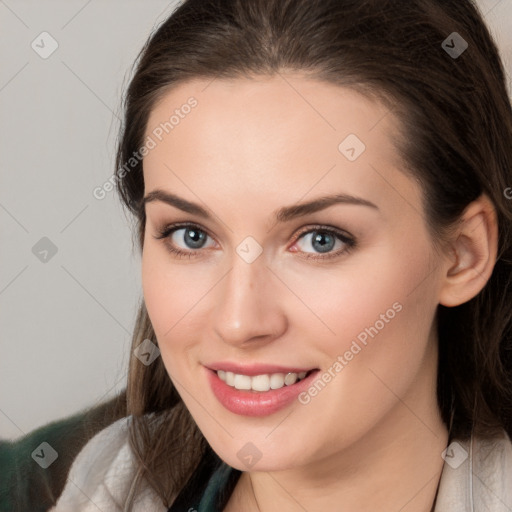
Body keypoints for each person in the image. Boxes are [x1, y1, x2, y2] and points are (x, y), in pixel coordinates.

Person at [50, 0, 512, 510]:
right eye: (191, 235)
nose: (239, 321)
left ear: (462, 254)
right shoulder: (109, 482)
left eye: (320, 239)